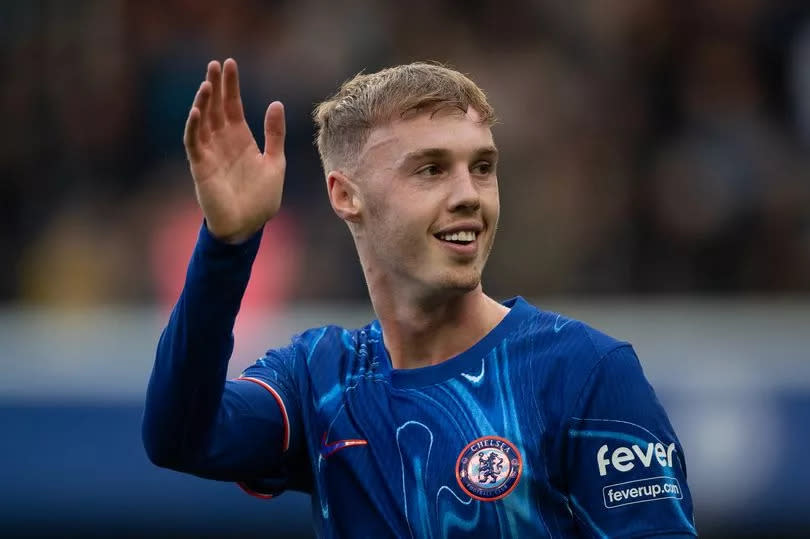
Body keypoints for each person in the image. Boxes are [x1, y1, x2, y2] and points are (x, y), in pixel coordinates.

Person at [143, 58, 697, 538]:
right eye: (431, 170)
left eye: (483, 168)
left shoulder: (586, 373)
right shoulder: (320, 380)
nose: (468, 196)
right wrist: (228, 244)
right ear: (345, 195)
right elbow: (182, 437)